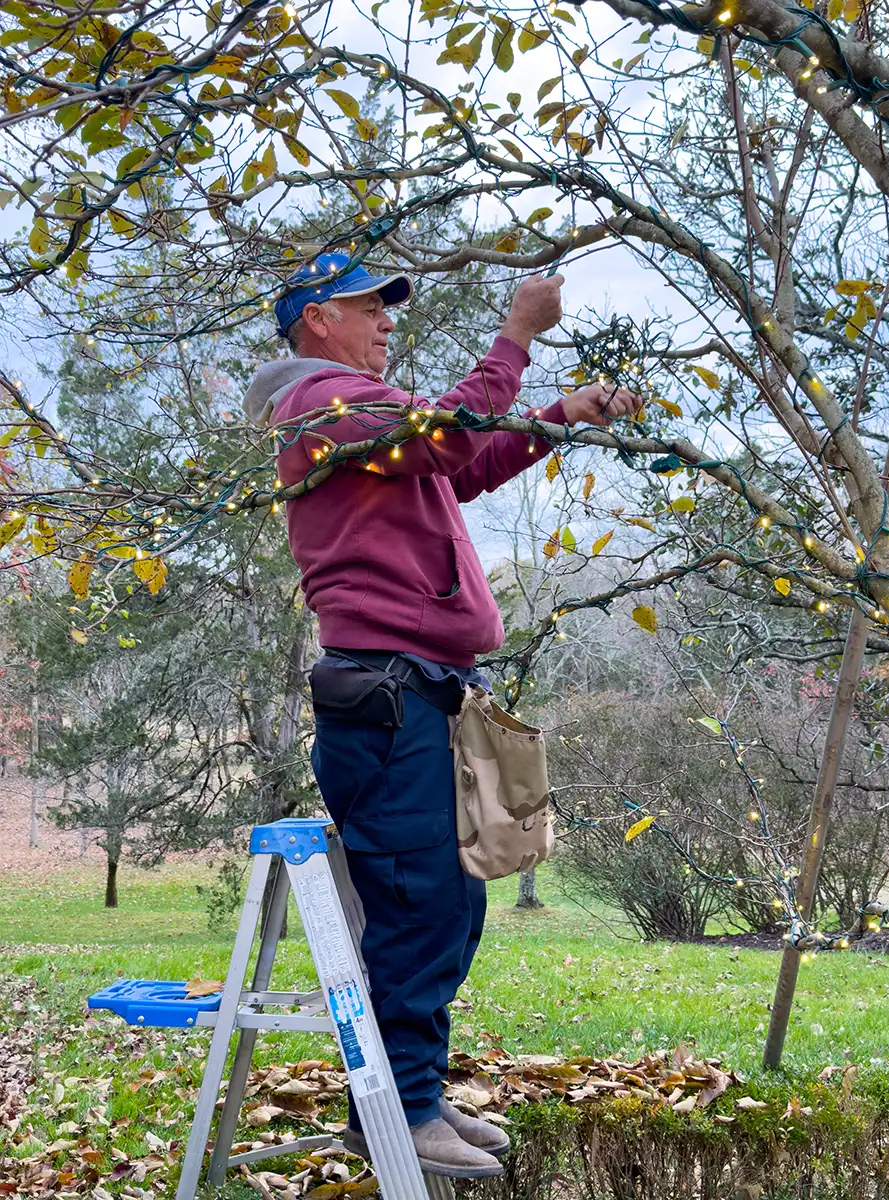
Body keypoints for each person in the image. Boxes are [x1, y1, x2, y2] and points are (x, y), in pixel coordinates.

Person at [243, 253, 642, 1179]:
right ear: (315, 321)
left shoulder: (365, 423)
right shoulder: (322, 406)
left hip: (421, 690)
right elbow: (445, 442)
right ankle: (396, 1109)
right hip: (385, 696)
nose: (387, 321)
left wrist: (557, 417)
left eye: (389, 308)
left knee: (453, 901)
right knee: (419, 905)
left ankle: (415, 1090)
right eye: (366, 307)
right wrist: (516, 337)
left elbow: (457, 466)